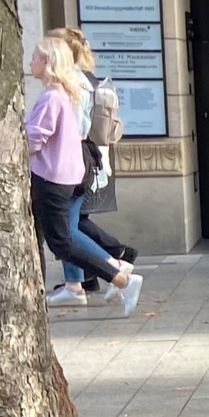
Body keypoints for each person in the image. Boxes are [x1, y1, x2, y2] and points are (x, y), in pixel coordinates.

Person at [26, 35, 140, 314]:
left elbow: (34, 138)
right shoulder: (65, 92)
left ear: (47, 62)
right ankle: (113, 271)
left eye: (34, 57)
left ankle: (119, 275)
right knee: (65, 235)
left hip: (54, 177)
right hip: (67, 174)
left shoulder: (53, 96)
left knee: (62, 240)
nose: (30, 62)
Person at [54, 25, 136, 294]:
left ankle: (112, 264)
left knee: (67, 228)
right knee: (71, 224)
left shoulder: (72, 84)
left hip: (75, 161)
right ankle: (80, 279)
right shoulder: (81, 80)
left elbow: (71, 129)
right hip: (85, 160)